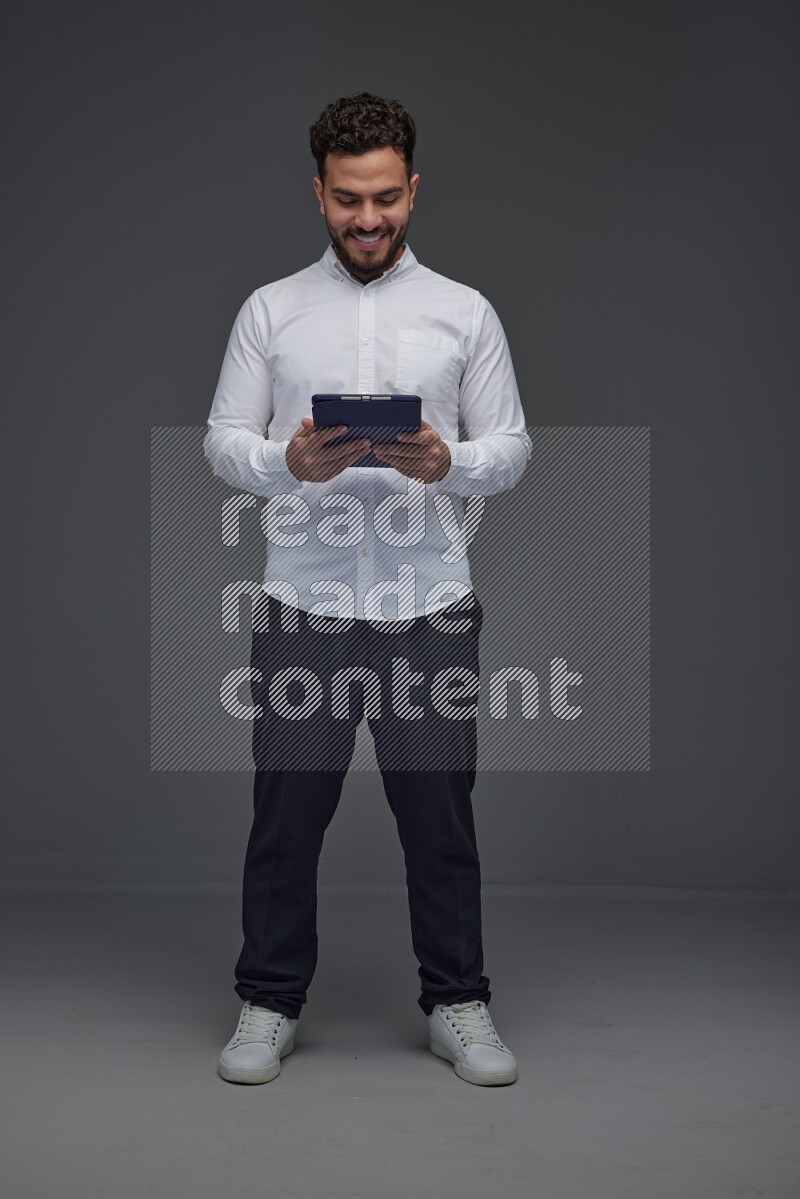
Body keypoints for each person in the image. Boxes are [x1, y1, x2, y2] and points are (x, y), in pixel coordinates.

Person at [204, 92, 532, 1087]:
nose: (368, 218)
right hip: (303, 604)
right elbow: (222, 439)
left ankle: (457, 1000)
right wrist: (283, 462)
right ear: (318, 194)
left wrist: (449, 461)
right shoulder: (272, 309)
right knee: (285, 813)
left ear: (412, 188)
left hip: (427, 604)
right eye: (348, 200)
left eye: (386, 197)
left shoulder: (463, 311)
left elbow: (511, 446)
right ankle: (266, 1000)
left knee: (438, 813)